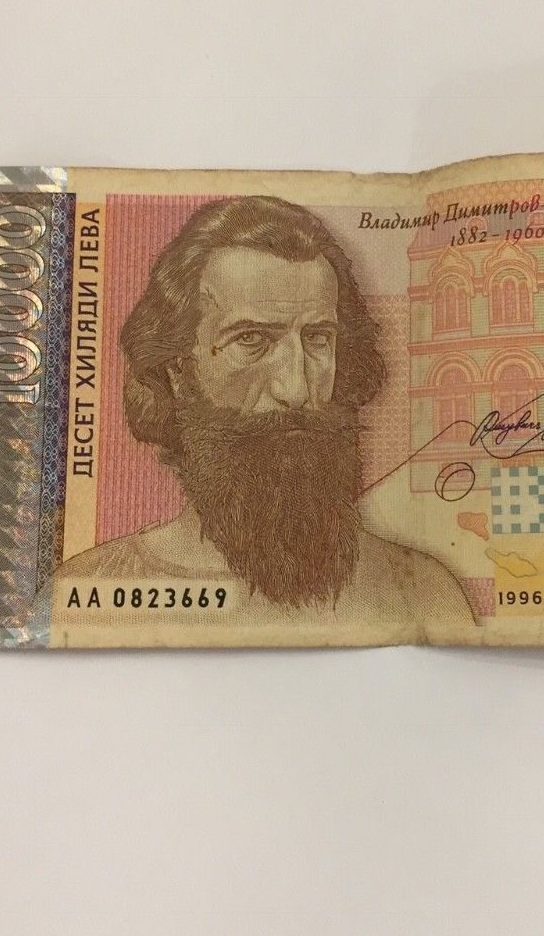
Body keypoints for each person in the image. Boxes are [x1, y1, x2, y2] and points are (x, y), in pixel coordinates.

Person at [57, 195, 474, 626]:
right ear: (179, 369)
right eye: (251, 340)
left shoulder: (423, 595)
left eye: (317, 339)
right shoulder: (84, 594)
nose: (295, 389)